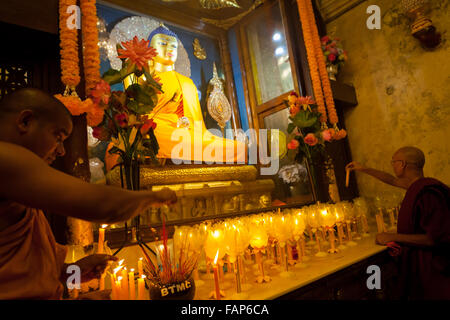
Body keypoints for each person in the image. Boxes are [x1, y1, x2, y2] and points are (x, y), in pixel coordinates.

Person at [0, 88, 177, 299]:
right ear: (25, 121)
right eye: (58, 137)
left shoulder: (21, 188)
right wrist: (154, 197)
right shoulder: (5, 159)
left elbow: (46, 275)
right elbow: (101, 206)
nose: (61, 151)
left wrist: (76, 271)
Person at [105, 24, 246, 171]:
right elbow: (133, 115)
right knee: (142, 141)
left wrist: (186, 125)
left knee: (235, 148)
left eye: (174, 46)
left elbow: (196, 124)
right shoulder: (137, 76)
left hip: (185, 133)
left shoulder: (187, 82)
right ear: (150, 48)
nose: (170, 49)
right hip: (154, 130)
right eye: (163, 43)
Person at [346, 146, 450, 299]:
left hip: (432, 270)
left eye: (393, 162)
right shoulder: (417, 185)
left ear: (402, 164)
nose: (392, 165)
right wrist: (363, 169)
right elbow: (391, 179)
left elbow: (433, 238)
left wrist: (393, 236)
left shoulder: (428, 193)